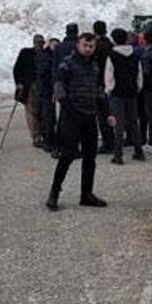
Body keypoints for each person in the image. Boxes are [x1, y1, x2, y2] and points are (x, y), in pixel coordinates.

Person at [48, 33, 117, 211]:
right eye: (85, 45)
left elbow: (99, 92)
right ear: (78, 45)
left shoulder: (95, 66)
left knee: (90, 157)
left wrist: (107, 113)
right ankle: (54, 193)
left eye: (91, 46)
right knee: (67, 155)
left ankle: (86, 194)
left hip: (89, 116)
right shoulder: (67, 64)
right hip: (71, 116)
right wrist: (68, 108)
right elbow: (59, 87)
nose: (88, 49)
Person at [105, 28, 145, 164]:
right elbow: (139, 75)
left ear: (114, 40)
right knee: (133, 123)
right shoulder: (135, 55)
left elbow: (109, 76)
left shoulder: (112, 55)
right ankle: (139, 152)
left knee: (118, 124)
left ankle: (118, 155)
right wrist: (137, 88)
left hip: (117, 93)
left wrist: (109, 90)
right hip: (132, 92)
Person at [14, 35, 44, 145]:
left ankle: (43, 134)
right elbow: (17, 69)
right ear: (34, 43)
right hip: (29, 86)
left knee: (42, 111)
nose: (40, 45)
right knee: (32, 112)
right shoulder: (25, 53)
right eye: (38, 42)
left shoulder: (45, 54)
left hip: (42, 86)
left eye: (41, 43)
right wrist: (19, 83)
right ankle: (36, 136)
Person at [92, 20, 115, 153]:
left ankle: (108, 142)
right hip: (111, 83)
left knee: (101, 114)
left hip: (99, 84)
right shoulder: (110, 45)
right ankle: (112, 139)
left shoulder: (96, 47)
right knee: (110, 112)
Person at [36, 37, 60, 155]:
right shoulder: (44, 56)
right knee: (48, 117)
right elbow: (44, 73)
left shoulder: (50, 55)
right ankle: (49, 141)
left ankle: (52, 140)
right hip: (46, 90)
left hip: (50, 89)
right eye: (54, 45)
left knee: (51, 117)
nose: (55, 48)